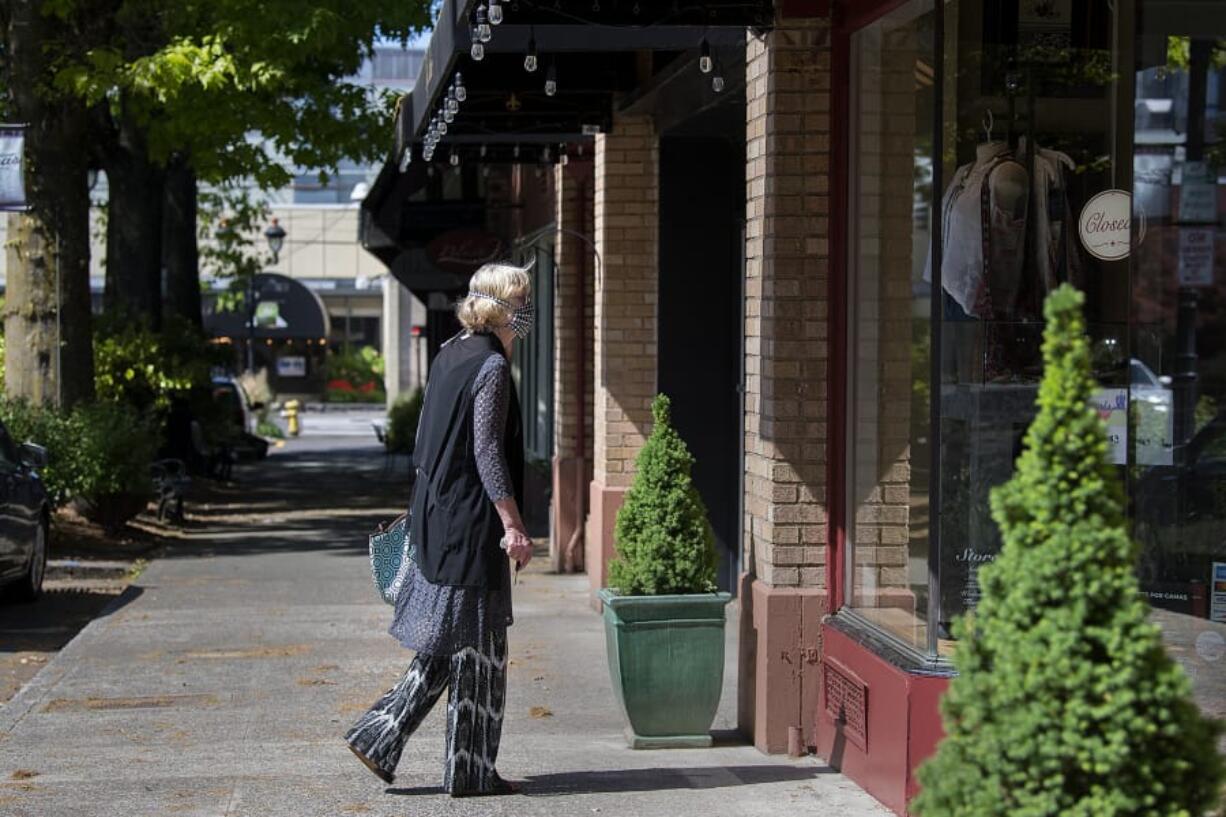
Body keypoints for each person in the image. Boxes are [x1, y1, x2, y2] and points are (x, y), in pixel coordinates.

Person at [345, 262, 535, 796]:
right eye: (521, 303)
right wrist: (513, 523)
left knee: (458, 644)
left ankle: (389, 740)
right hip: (472, 526)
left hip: (438, 516)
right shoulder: (491, 367)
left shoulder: (453, 351)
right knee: (478, 648)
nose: (526, 313)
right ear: (501, 308)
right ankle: (455, 764)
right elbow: (486, 451)